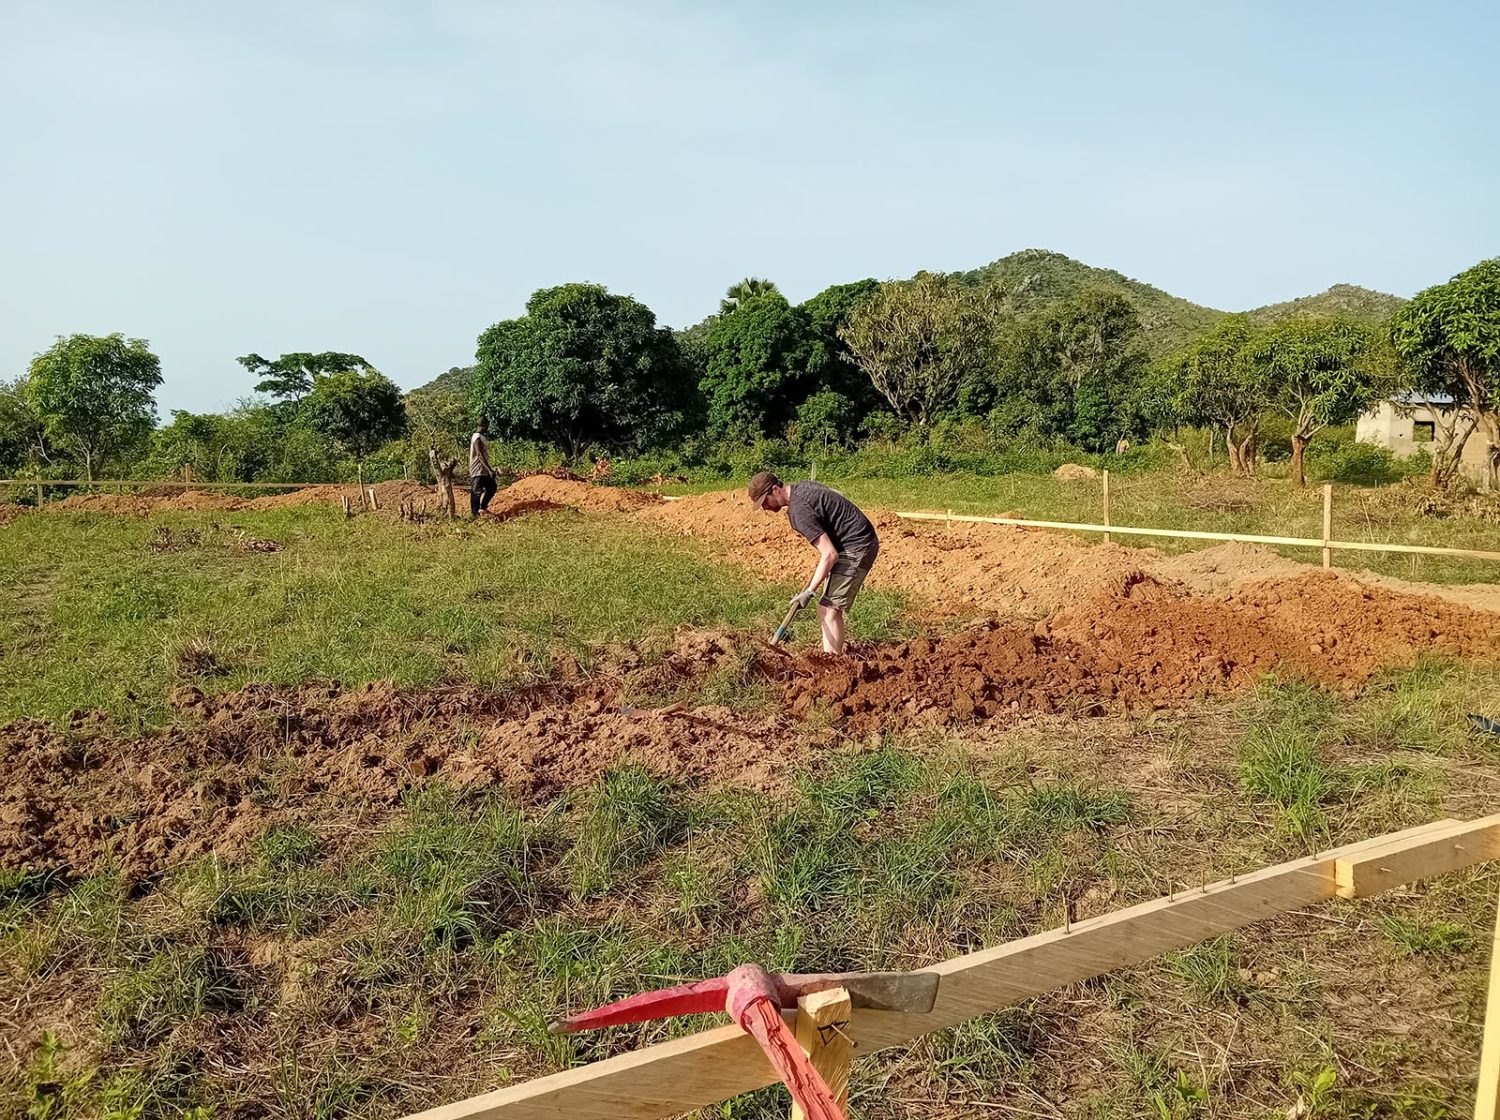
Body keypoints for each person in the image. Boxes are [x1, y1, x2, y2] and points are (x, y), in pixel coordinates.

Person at [748, 470, 879, 655]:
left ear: (775, 489)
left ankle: (833, 664)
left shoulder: (799, 511)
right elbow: (835, 496)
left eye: (765, 501)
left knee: (828, 609)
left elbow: (830, 554)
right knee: (827, 607)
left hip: (858, 545)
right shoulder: (802, 487)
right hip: (851, 540)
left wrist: (809, 592)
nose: (765, 508)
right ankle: (832, 658)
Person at [469, 418, 497, 517]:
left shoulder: (482, 437)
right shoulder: (476, 437)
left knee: (492, 487)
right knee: (476, 492)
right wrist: (490, 470)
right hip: (477, 470)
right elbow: (479, 455)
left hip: (483, 470)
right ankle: (474, 515)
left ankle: (482, 508)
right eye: (487, 425)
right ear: (484, 425)